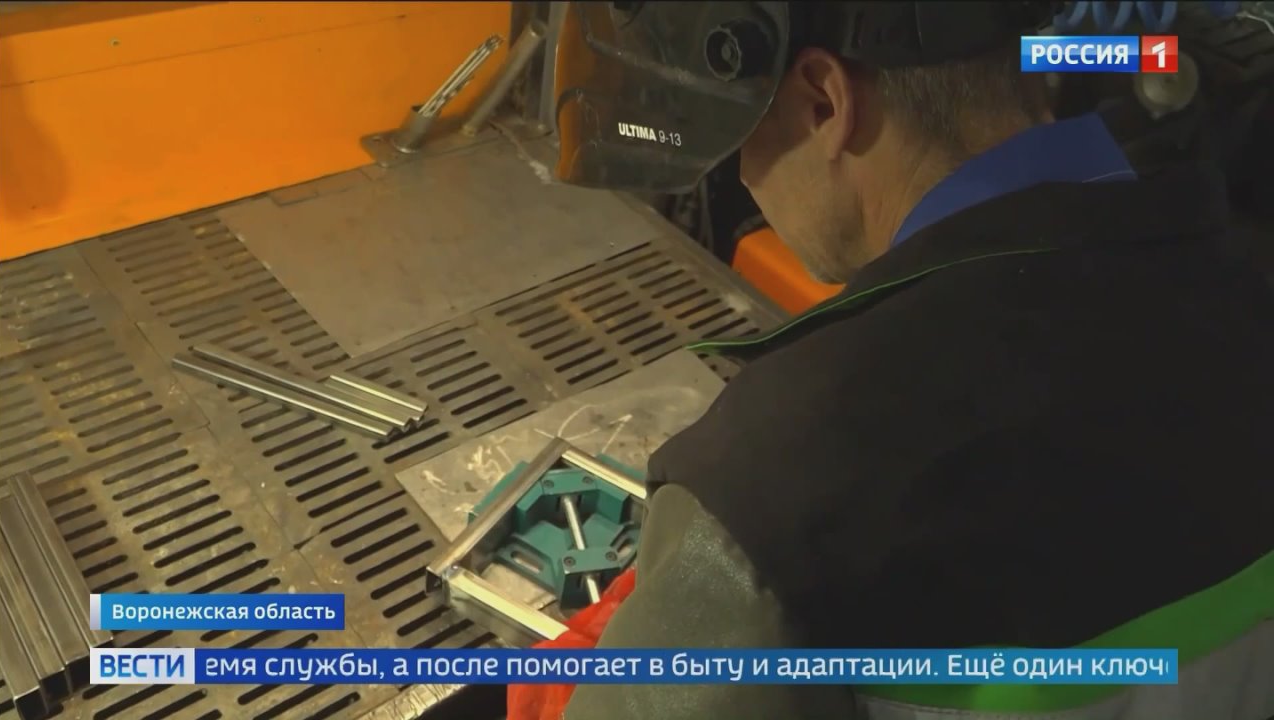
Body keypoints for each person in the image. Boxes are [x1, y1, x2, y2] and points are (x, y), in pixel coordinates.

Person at [533, 3, 1274, 719]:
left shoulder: (775, 495)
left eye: (739, 146)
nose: (746, 178)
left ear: (824, 104)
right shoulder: (1244, 290)